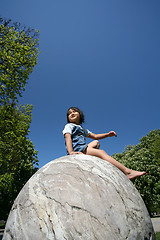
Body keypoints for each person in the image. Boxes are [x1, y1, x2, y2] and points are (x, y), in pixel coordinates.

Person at [62, 107, 146, 180]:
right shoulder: (69, 126)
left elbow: (95, 136)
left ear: (80, 115)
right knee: (101, 152)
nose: (72, 113)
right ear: (68, 118)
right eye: (69, 113)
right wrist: (71, 152)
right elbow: (67, 137)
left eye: (74, 111)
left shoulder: (82, 129)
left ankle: (90, 155)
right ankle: (127, 172)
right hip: (78, 148)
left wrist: (107, 135)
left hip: (82, 147)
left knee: (96, 142)